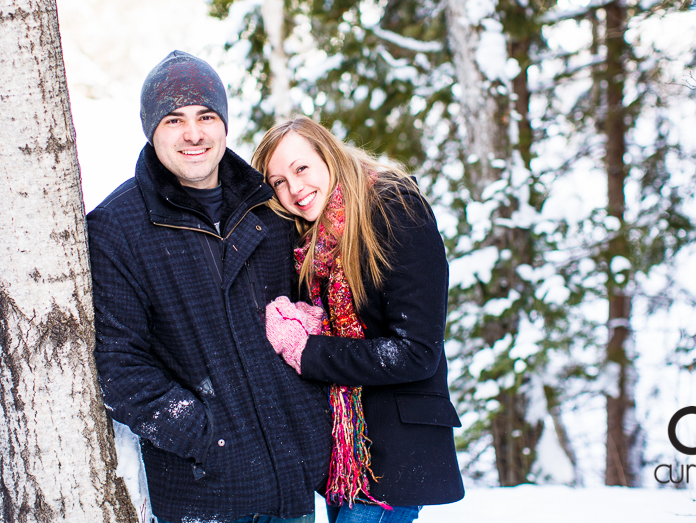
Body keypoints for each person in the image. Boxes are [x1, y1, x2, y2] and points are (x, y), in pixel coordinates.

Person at [87, 51, 332, 523]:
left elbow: (315, 309)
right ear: (151, 130)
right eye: (174, 119)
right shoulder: (117, 228)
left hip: (293, 486)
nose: (193, 133)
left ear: (224, 124)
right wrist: (207, 437)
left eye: (206, 116)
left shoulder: (270, 207)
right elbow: (119, 367)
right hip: (206, 495)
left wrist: (308, 419)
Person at [251, 116, 465, 523]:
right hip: (345, 452)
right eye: (278, 181)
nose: (294, 189)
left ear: (328, 156)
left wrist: (308, 348)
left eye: (301, 168)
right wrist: (309, 320)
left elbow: (417, 352)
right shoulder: (310, 239)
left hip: (395, 452)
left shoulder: (394, 208)